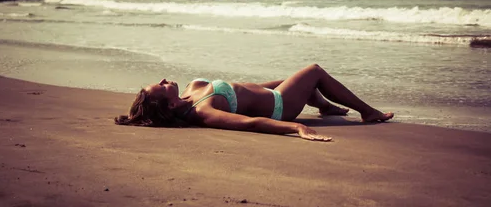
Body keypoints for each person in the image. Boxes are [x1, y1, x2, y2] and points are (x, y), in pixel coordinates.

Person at [115, 64, 394, 141]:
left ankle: (323, 106)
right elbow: (249, 123)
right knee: (314, 72)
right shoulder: (203, 112)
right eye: (161, 86)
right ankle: (368, 112)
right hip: (280, 106)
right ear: (171, 106)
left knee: (297, 79)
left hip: (265, 91)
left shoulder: (189, 91)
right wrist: (295, 128)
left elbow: (244, 91)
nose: (164, 80)